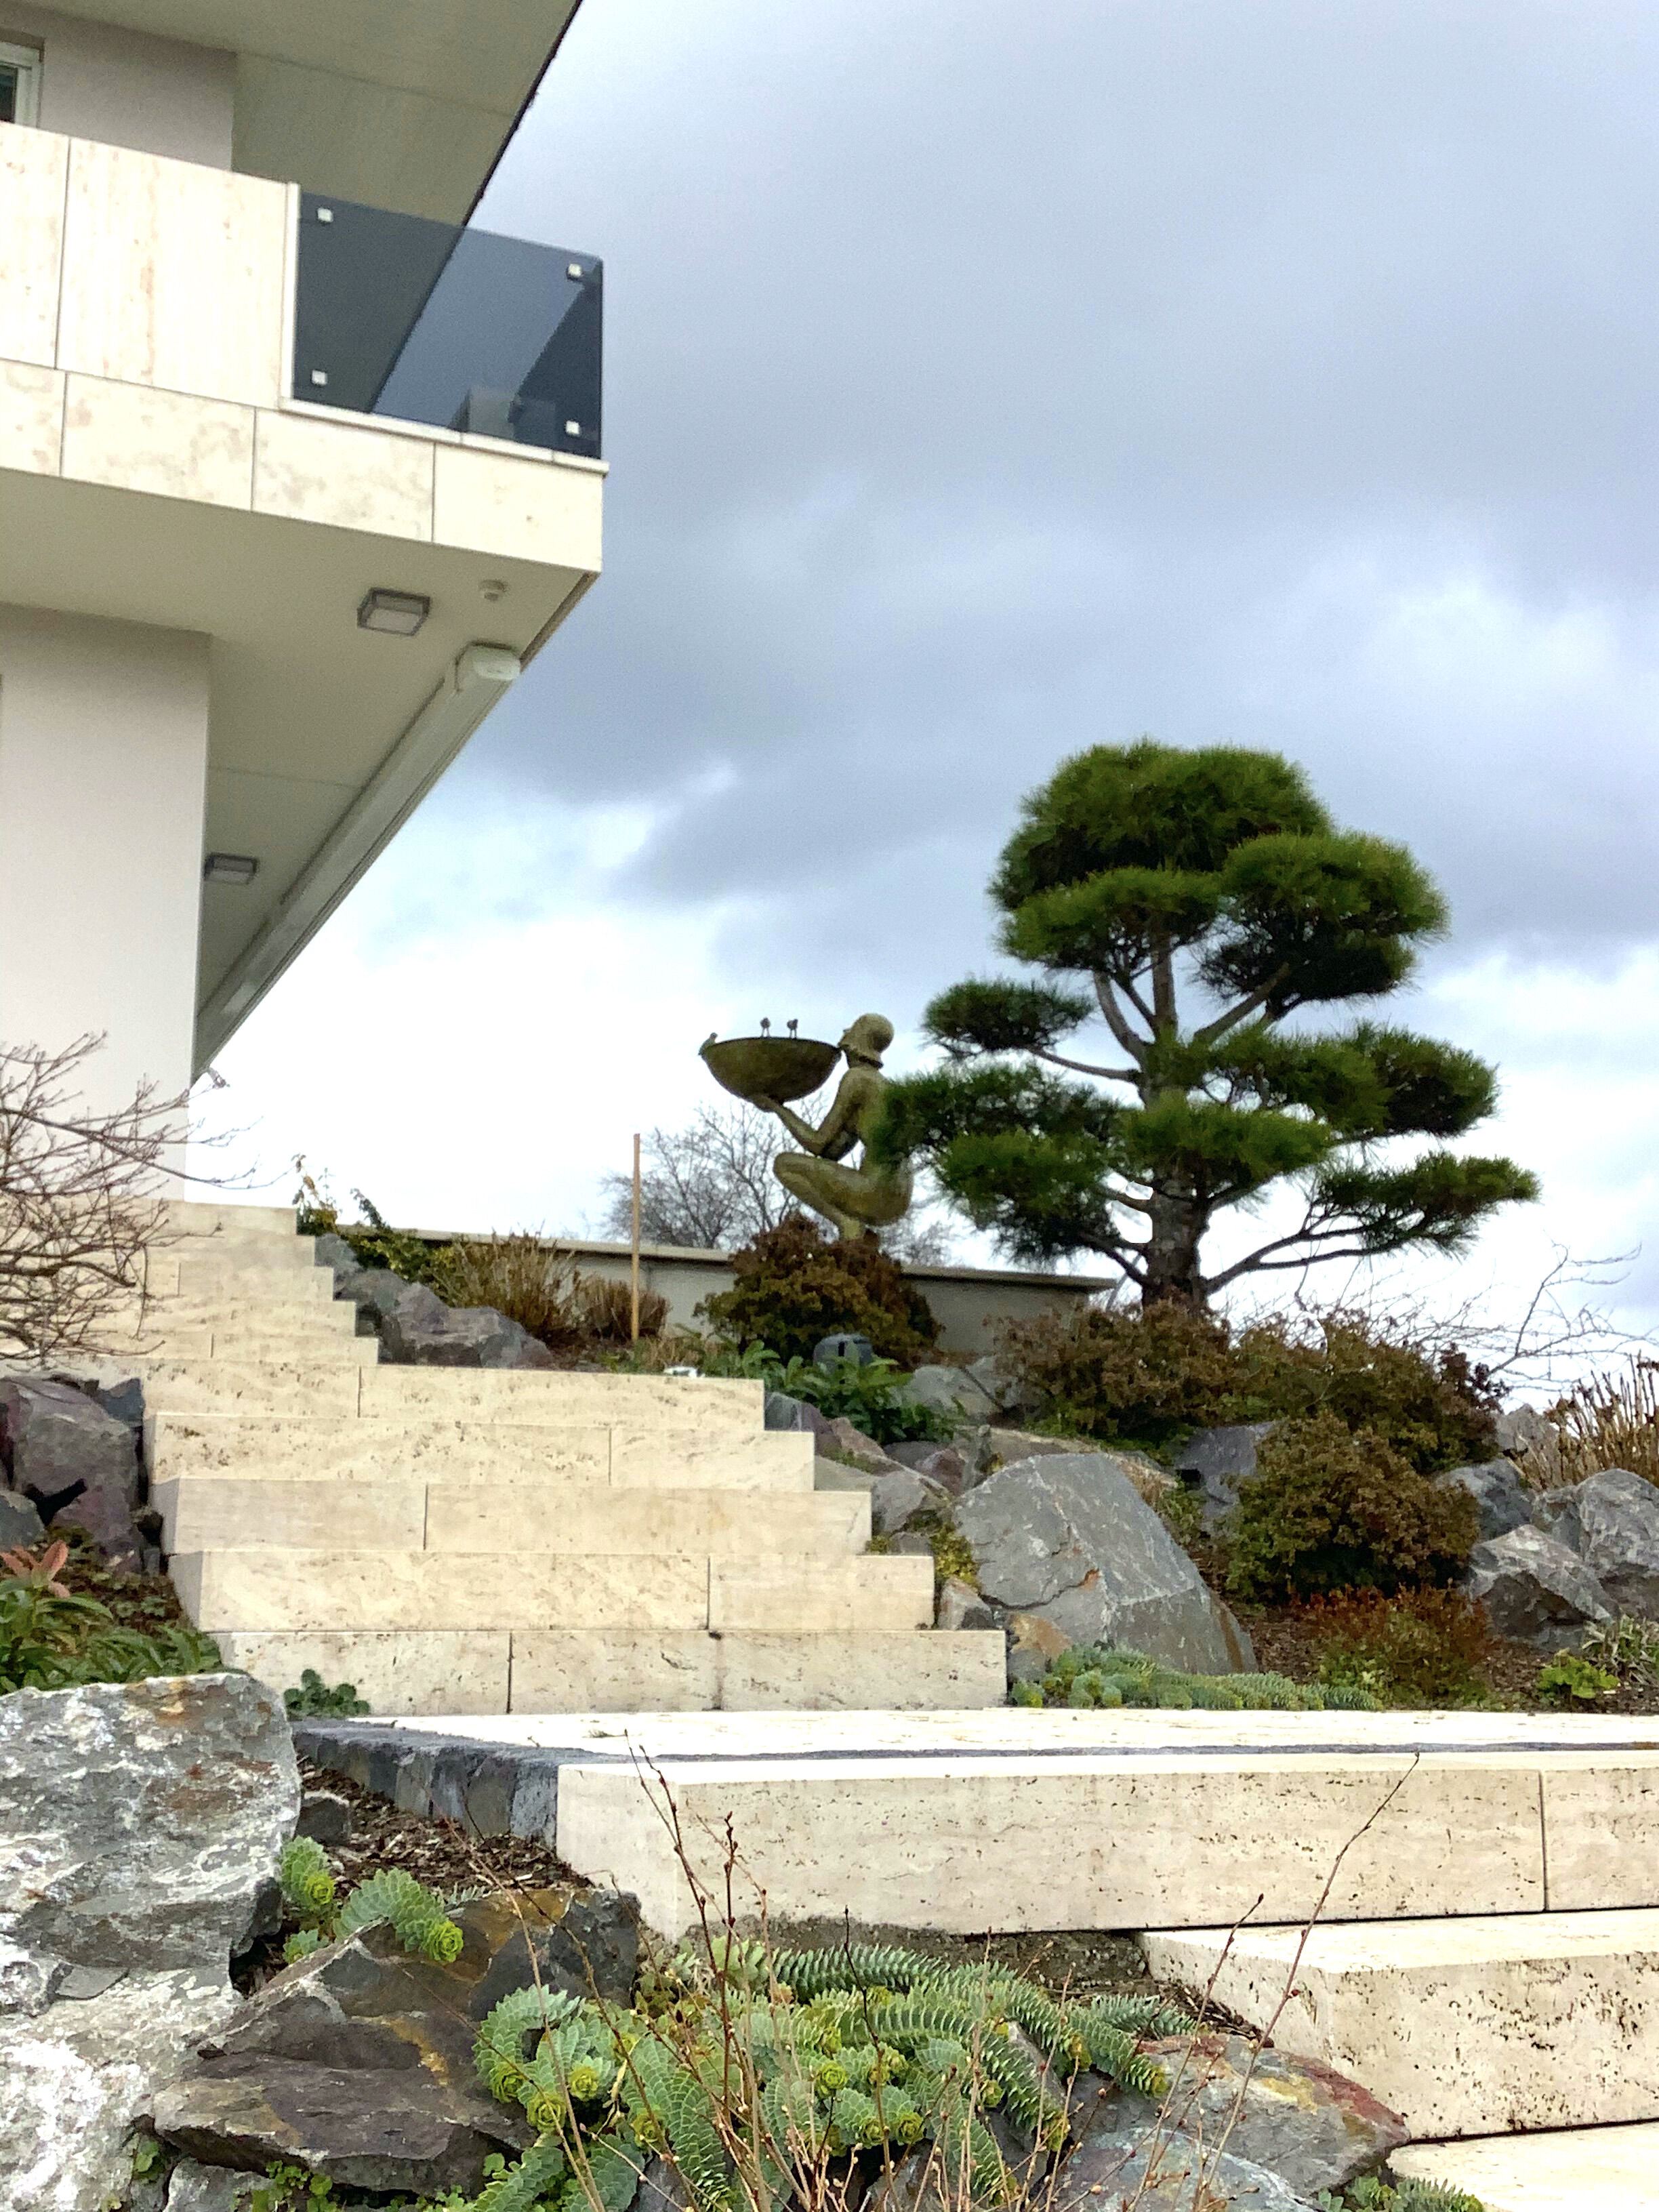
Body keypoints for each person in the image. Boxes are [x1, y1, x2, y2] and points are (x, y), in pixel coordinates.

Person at [755, 1013, 914, 1240]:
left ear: (857, 1039)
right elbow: (832, 1152)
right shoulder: (884, 1086)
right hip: (898, 1197)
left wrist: (778, 1108)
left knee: (784, 1165)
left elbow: (817, 1144)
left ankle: (847, 1223)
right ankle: (852, 1230)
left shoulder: (857, 1079)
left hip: (874, 1191)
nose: (844, 1035)